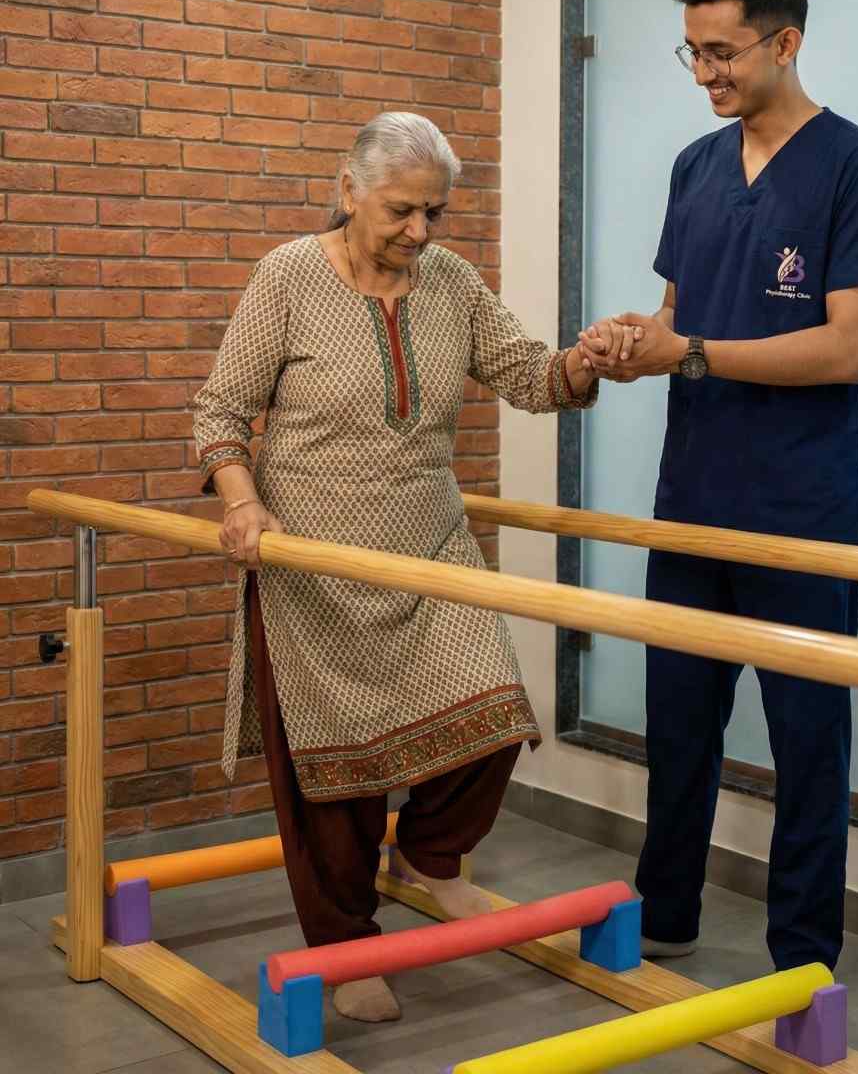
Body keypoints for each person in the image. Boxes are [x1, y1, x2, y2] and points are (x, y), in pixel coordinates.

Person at [192, 112, 605, 1024]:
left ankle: (428, 858)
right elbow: (222, 406)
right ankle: (345, 944)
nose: (419, 232)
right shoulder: (288, 277)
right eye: (401, 210)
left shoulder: (450, 281)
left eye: (435, 213)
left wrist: (587, 361)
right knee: (331, 783)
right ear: (349, 191)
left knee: (495, 717)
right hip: (314, 571)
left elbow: (528, 374)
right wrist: (242, 501)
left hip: (429, 554)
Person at [581, 0, 858, 974]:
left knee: (808, 745)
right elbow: (682, 318)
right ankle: (664, 914)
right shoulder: (695, 166)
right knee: (677, 730)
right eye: (690, 54)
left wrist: (695, 352)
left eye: (720, 53)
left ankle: (802, 960)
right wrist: (634, 344)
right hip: (691, 500)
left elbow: (847, 344)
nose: (706, 74)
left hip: (802, 510)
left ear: (784, 41)